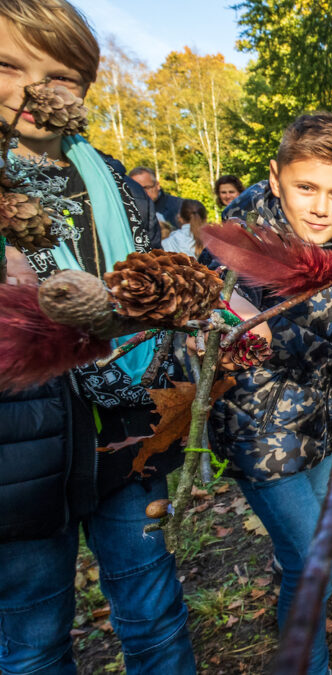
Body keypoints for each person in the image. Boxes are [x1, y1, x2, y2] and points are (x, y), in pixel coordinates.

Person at [0, 2, 198, 672]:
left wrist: (180, 311)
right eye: (6, 65)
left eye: (57, 75)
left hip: (125, 429)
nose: (31, 90)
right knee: (32, 640)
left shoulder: (110, 177)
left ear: (82, 90)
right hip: (18, 460)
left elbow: (156, 273)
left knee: (153, 611)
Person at [206, 112, 332, 675]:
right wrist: (223, 326)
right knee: (312, 562)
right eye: (306, 188)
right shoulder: (235, 247)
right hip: (259, 437)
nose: (321, 207)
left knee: (308, 551)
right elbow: (195, 321)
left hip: (321, 426)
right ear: (275, 179)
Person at [129, 166, 183, 234]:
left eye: (147, 188)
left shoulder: (180, 207)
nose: (143, 193)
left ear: (157, 185)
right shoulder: (129, 212)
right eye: (137, 190)